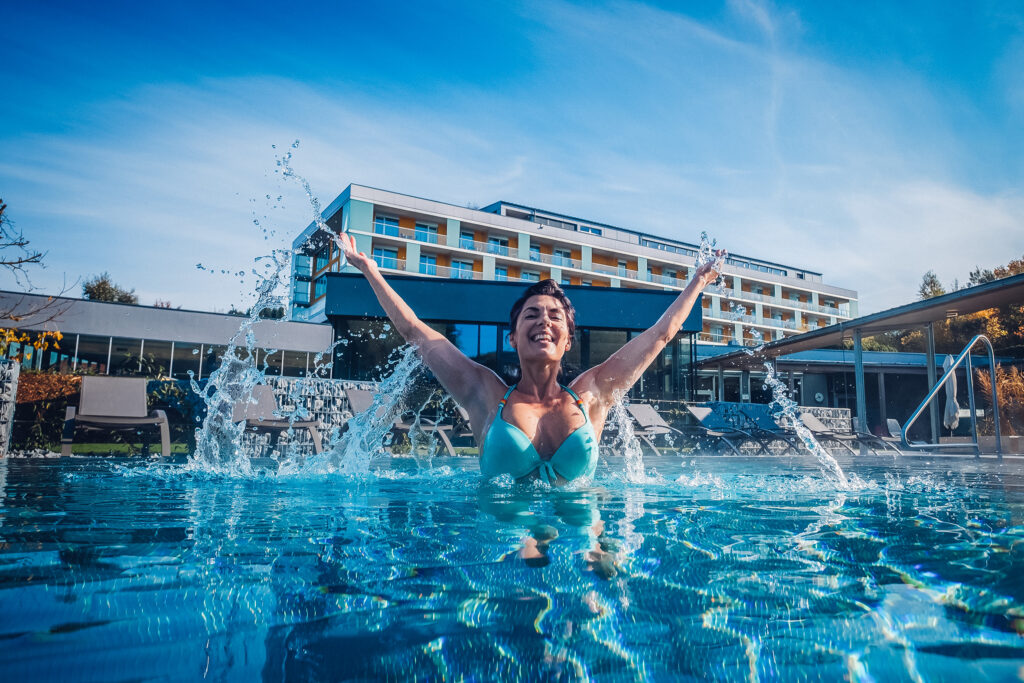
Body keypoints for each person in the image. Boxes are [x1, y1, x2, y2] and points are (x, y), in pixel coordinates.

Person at [338, 233, 722, 485]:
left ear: (568, 340)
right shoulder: (484, 394)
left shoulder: (592, 394)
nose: (544, 322)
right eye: (532, 315)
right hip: (506, 548)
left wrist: (699, 281)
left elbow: (661, 334)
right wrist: (370, 270)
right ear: (513, 337)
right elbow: (415, 332)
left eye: (555, 316)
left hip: (583, 545)